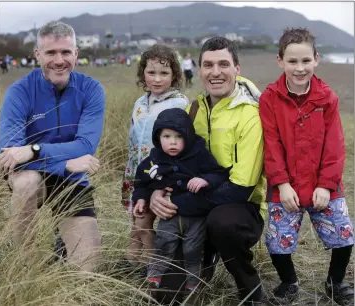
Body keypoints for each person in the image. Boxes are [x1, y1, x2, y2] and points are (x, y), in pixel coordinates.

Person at [149, 37, 267, 304]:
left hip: (239, 208)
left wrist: (178, 202)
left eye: (224, 64)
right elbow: (170, 160)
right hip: (195, 203)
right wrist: (158, 193)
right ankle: (205, 255)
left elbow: (241, 187)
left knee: (222, 223)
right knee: (167, 296)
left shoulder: (251, 114)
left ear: (237, 68)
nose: (216, 72)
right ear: (199, 70)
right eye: (208, 65)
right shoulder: (193, 110)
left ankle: (251, 291)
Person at [0, 21, 105, 272]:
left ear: (76, 54)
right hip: (34, 175)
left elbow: (86, 145)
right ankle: (28, 266)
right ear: (37, 54)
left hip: (71, 179)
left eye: (66, 52)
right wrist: (64, 162)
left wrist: (35, 150)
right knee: (26, 183)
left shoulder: (91, 89)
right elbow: (8, 154)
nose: (59, 60)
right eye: (51, 53)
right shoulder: (20, 91)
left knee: (87, 270)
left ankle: (64, 248)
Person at [259, 27, 354, 306]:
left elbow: (335, 146)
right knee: (277, 244)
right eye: (292, 61)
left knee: (344, 237)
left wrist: (326, 185)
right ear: (280, 61)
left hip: (323, 185)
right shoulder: (269, 99)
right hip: (285, 186)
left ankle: (335, 282)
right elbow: (271, 144)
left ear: (316, 59)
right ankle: (289, 282)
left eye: (305, 61)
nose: (299, 68)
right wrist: (282, 183)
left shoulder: (328, 98)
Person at [132, 108, 229, 297]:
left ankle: (193, 282)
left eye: (179, 136)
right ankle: (155, 274)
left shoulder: (199, 154)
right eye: (166, 136)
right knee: (164, 241)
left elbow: (218, 173)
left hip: (196, 215)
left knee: (192, 249)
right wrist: (141, 197)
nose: (173, 142)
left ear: (189, 137)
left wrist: (205, 180)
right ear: (158, 137)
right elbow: (141, 180)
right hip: (170, 214)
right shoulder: (154, 159)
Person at [121, 44, 190, 272]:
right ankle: (131, 263)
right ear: (143, 74)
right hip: (135, 173)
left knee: (144, 222)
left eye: (164, 73)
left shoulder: (180, 103)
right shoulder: (139, 104)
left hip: (159, 175)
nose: (157, 79)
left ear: (175, 75)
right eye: (151, 73)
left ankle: (153, 268)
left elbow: (182, 144)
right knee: (135, 222)